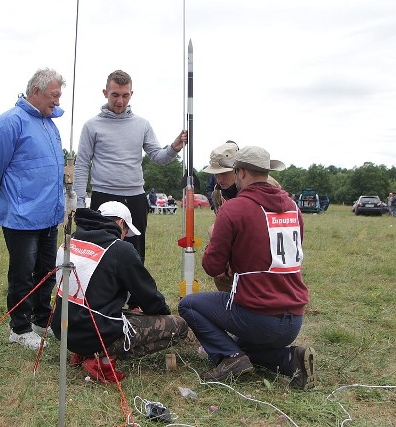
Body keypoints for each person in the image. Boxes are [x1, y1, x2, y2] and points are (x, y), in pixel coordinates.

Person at [178, 146, 316, 389]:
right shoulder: (293, 207)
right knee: (241, 345)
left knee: (189, 305)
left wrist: (218, 241)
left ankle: (229, 359)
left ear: (240, 173)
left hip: (260, 315)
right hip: (294, 319)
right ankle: (289, 359)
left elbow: (212, 266)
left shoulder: (234, 208)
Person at [0, 68, 66, 350]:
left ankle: (42, 319)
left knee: (46, 270)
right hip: (21, 216)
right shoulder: (9, 123)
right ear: (36, 92)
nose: (58, 101)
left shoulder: (50, 125)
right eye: (54, 95)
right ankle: (19, 327)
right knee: (22, 272)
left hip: (49, 216)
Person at [51, 201, 188, 382]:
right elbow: (148, 297)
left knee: (99, 309)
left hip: (64, 330)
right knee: (178, 327)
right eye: (126, 232)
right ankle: (101, 359)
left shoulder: (73, 238)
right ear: (121, 224)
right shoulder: (119, 249)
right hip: (95, 334)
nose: (124, 237)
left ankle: (82, 353)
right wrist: (162, 316)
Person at [74, 70, 187, 263]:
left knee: (135, 255)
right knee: (101, 255)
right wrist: (79, 202)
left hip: (135, 198)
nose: (120, 101)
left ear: (131, 94)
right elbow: (82, 164)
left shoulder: (142, 125)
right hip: (102, 196)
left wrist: (174, 148)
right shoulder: (91, 126)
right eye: (115, 95)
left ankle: (134, 293)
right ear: (105, 93)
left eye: (125, 95)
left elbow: (158, 157)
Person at [202, 141, 280, 292]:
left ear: (238, 170)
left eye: (224, 173)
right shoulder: (218, 192)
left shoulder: (265, 186)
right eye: (215, 174)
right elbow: (223, 229)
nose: (219, 179)